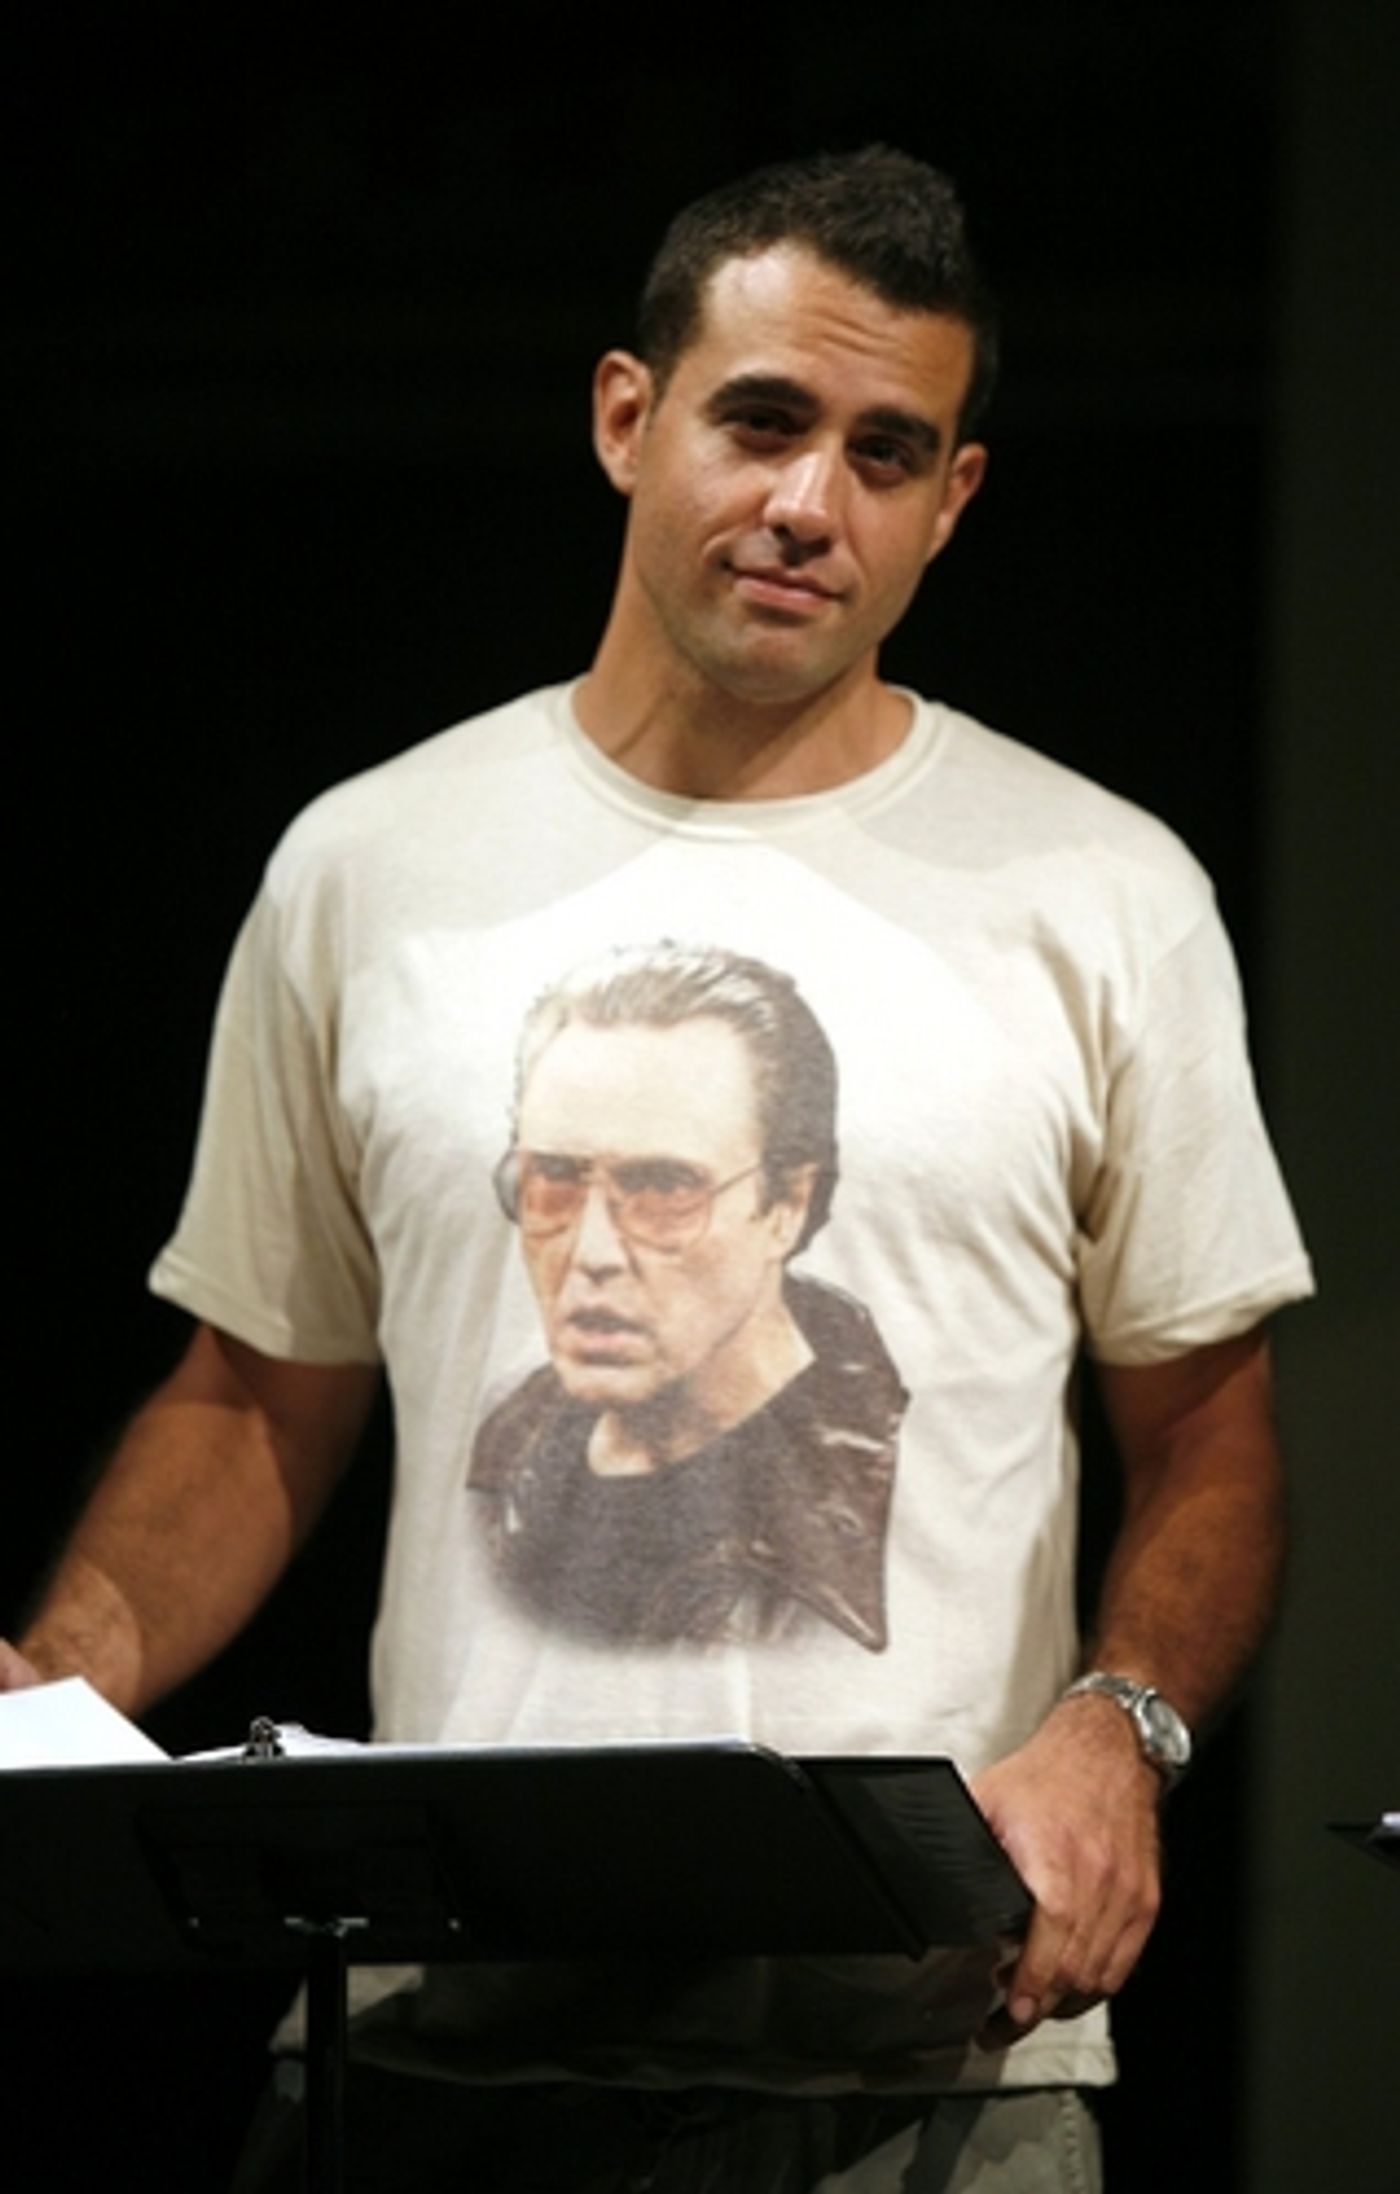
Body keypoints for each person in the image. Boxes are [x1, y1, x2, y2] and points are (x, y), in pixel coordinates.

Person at [2, 145, 1312, 2190]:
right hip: (431, 2054)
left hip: (933, 2067)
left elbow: (1211, 1431)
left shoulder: (1102, 891)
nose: (810, 503)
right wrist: (52, 1684)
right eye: (761, 420)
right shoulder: (372, 865)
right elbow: (257, 1388)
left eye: (885, 452)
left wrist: (1116, 1729)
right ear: (628, 417)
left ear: (953, 498)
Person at [468, 941, 908, 1650]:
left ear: (788, 1205)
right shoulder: (506, 1450)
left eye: (664, 1187)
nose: (592, 1253)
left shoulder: (890, 1480)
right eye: (554, 1179)